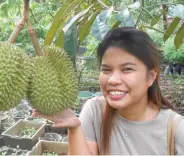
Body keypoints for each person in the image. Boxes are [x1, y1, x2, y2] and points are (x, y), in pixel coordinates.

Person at [32, 27, 184, 155]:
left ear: (151, 76)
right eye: (106, 70)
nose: (112, 80)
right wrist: (74, 128)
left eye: (127, 69)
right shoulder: (94, 111)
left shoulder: (177, 130)